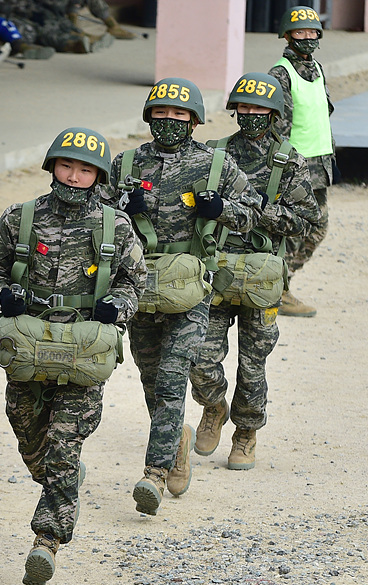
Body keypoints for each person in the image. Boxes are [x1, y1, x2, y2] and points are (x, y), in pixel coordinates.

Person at [0, 127, 145, 585]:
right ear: (53, 166)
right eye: (67, 166)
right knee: (28, 433)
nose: (74, 177)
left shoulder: (116, 226)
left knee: (63, 445)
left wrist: (119, 307)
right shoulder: (20, 218)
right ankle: (57, 474)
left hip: (82, 353)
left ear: (98, 176)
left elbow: (136, 281)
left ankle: (46, 541)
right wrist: (2, 294)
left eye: (86, 170)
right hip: (30, 348)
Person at [106, 78, 263, 516]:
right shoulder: (125, 164)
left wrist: (222, 210)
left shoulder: (216, 165)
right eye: (161, 113)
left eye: (178, 115)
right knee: (152, 381)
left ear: (194, 120)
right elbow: (94, 219)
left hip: (192, 291)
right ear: (148, 117)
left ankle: (153, 475)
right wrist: (122, 205)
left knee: (175, 376)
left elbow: (252, 214)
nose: (169, 121)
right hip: (140, 287)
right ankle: (177, 442)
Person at [191, 73, 319, 468]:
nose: (249, 114)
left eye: (259, 108)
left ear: (274, 113)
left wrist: (254, 210)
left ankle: (246, 432)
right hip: (216, 269)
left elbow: (306, 219)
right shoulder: (215, 154)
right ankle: (213, 406)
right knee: (200, 357)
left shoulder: (289, 160)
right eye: (243, 107)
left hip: (262, 277)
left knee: (252, 364)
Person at [268, 5, 336, 318]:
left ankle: (278, 285)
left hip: (320, 164)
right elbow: (276, 129)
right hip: (297, 168)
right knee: (298, 228)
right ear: (287, 35)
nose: (307, 37)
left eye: (312, 32)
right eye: (300, 32)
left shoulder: (317, 69)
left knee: (316, 228)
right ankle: (276, 289)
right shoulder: (280, 74)